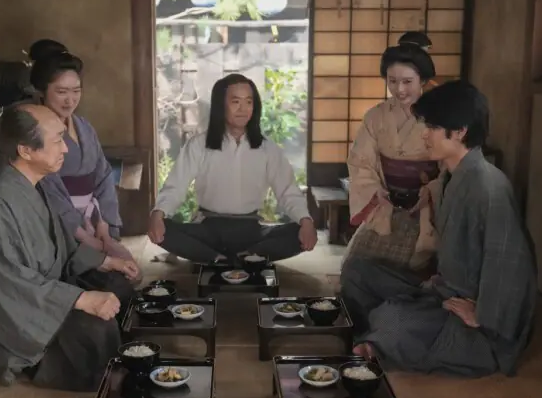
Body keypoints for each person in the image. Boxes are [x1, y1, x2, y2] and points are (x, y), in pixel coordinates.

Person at [340, 80, 537, 378]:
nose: (424, 134)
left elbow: (513, 264)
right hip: (441, 292)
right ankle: (385, 333)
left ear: (459, 131)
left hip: (474, 320)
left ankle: (382, 337)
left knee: (393, 317)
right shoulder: (448, 178)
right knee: (358, 271)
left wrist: (482, 313)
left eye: (432, 127)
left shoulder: (489, 187)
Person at [0, 104, 141, 392]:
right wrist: (80, 299)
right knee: (95, 327)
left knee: (117, 286)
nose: (65, 148)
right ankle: (110, 376)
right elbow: (7, 281)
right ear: (26, 151)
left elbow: (63, 245)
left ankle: (127, 358)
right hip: (18, 310)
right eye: (57, 140)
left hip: (48, 291)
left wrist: (107, 262)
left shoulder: (37, 185)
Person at [147, 73, 317, 265]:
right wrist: (158, 213)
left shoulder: (267, 149)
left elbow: (288, 192)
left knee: (300, 231)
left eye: (248, 102)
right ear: (221, 105)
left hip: (251, 230)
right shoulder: (198, 145)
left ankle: (227, 256)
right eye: (236, 101)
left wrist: (306, 221)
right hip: (208, 228)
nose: (243, 109)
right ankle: (235, 258)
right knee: (163, 229)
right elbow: (176, 186)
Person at [32, 51, 138, 265]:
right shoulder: (37, 134)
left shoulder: (84, 127)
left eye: (76, 91)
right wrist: (87, 239)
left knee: (130, 269)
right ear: (41, 90)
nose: (70, 100)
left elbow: (103, 175)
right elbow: (50, 195)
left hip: (95, 220)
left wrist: (104, 226)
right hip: (62, 228)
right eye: (61, 92)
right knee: (112, 275)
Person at [346, 44, 441, 272]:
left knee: (420, 263)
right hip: (385, 203)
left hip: (428, 206)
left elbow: (450, 164)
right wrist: (374, 191)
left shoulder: (438, 116)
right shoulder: (375, 116)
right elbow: (360, 162)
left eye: (407, 82)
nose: (399, 89)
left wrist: (432, 191)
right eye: (392, 81)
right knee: (356, 263)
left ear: (423, 80)